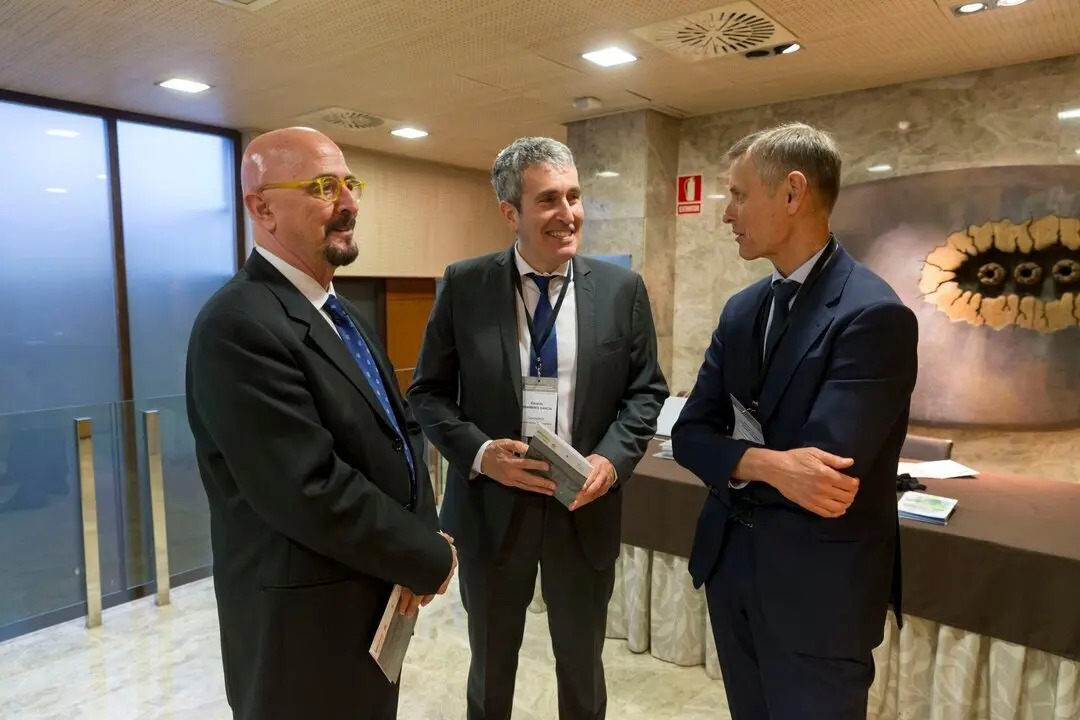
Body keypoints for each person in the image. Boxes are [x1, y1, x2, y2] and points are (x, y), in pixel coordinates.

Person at [185, 127, 456, 720]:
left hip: (373, 595)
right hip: (301, 627)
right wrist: (424, 555)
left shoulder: (340, 312)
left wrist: (423, 536)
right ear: (262, 208)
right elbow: (307, 487)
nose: (349, 202)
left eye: (350, 184)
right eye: (323, 187)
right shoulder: (238, 324)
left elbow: (400, 432)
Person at [407, 136, 669, 720]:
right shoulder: (464, 285)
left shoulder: (622, 290)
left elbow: (646, 391)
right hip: (492, 512)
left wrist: (611, 460)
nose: (567, 213)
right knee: (490, 669)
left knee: (582, 669)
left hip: (583, 509)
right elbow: (427, 394)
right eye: (548, 199)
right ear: (511, 213)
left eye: (574, 196)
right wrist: (481, 454)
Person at [671, 122, 918, 720]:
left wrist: (738, 461)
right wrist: (769, 465)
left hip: (819, 592)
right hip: (733, 571)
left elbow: (825, 476)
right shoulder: (742, 310)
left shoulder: (872, 315)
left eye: (737, 194)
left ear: (792, 192)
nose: (726, 213)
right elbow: (688, 435)